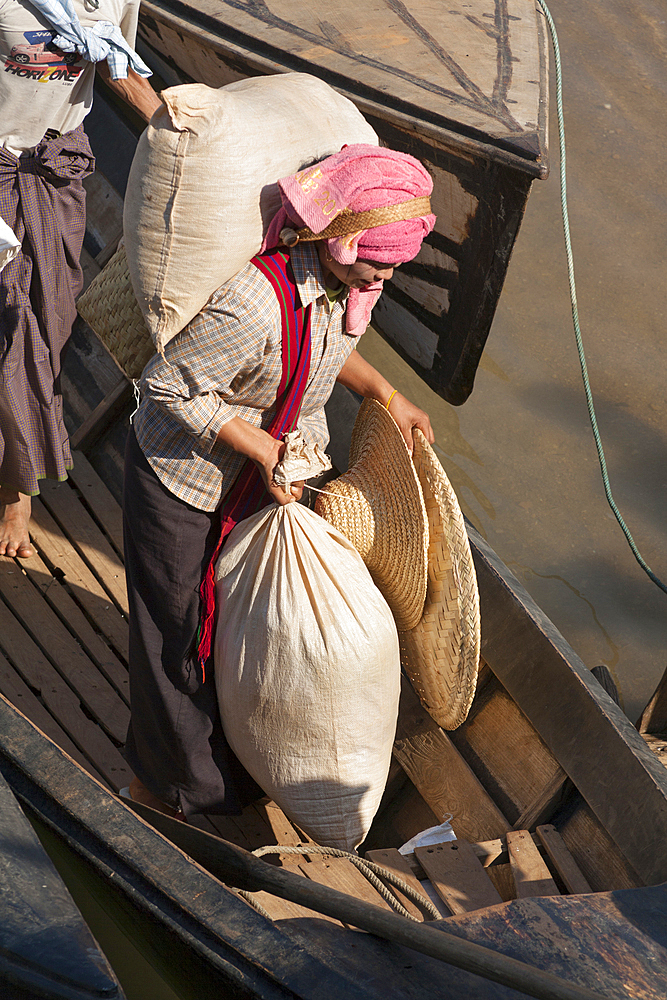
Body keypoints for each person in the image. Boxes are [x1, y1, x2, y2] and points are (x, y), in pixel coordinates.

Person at [122, 143, 437, 819]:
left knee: (243, 625)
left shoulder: (346, 284)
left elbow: (328, 350)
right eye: (380, 263)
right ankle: (166, 787)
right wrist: (257, 445)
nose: (385, 278)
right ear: (342, 242)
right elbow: (167, 388)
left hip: (267, 471)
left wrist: (386, 392)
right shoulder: (251, 305)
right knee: (177, 635)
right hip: (189, 477)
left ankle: (236, 761)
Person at [0, 0, 162, 558]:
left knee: (43, 331)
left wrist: (181, 127)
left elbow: (118, 65)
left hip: (56, 171)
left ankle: (15, 489)